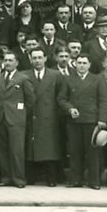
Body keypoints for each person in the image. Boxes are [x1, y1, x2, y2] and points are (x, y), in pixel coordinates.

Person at [62, 51, 107, 190]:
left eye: (84, 63)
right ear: (75, 64)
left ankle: (94, 181)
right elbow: (62, 99)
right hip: (74, 121)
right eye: (79, 63)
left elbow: (103, 100)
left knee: (93, 152)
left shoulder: (97, 79)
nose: (82, 66)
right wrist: (70, 109)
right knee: (75, 151)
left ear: (89, 65)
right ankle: (75, 180)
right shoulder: (68, 79)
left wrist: (102, 119)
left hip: (91, 120)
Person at [24, 46, 68, 187]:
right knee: (31, 148)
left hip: (49, 117)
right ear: (30, 59)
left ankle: (51, 178)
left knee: (50, 147)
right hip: (31, 116)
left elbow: (61, 96)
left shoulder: (55, 75)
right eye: (34, 58)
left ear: (45, 58)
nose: (37, 61)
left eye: (39, 58)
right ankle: (31, 177)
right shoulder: (24, 75)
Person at [0, 47, 33, 188]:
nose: (7, 63)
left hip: (16, 119)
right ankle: (6, 177)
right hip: (0, 117)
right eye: (6, 60)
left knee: (16, 150)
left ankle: (19, 179)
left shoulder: (23, 78)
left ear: (17, 63)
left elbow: (30, 100)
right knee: (2, 150)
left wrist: (20, 111)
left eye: (10, 60)